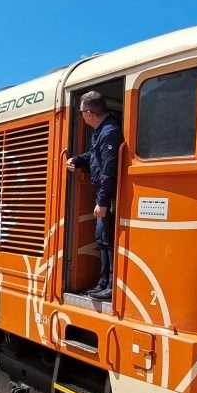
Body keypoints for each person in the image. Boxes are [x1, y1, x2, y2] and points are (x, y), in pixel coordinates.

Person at [65, 90, 122, 301]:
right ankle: (103, 282)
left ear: (89, 113)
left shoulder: (110, 132)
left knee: (106, 239)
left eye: (81, 112)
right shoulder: (100, 132)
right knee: (101, 238)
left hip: (108, 194)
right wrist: (78, 160)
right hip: (102, 192)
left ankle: (110, 284)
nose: (80, 116)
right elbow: (94, 157)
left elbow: (109, 169)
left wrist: (103, 201)